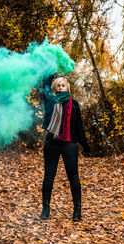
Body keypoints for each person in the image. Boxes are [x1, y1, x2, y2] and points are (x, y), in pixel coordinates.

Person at [40, 75, 91, 221]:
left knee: (73, 176)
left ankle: (77, 212)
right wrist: (48, 69)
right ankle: (45, 209)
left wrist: (86, 146)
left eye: (63, 85)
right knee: (49, 175)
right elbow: (44, 88)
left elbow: (79, 127)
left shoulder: (74, 104)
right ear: (55, 88)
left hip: (69, 143)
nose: (61, 87)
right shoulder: (51, 102)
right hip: (52, 143)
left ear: (68, 87)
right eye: (58, 85)